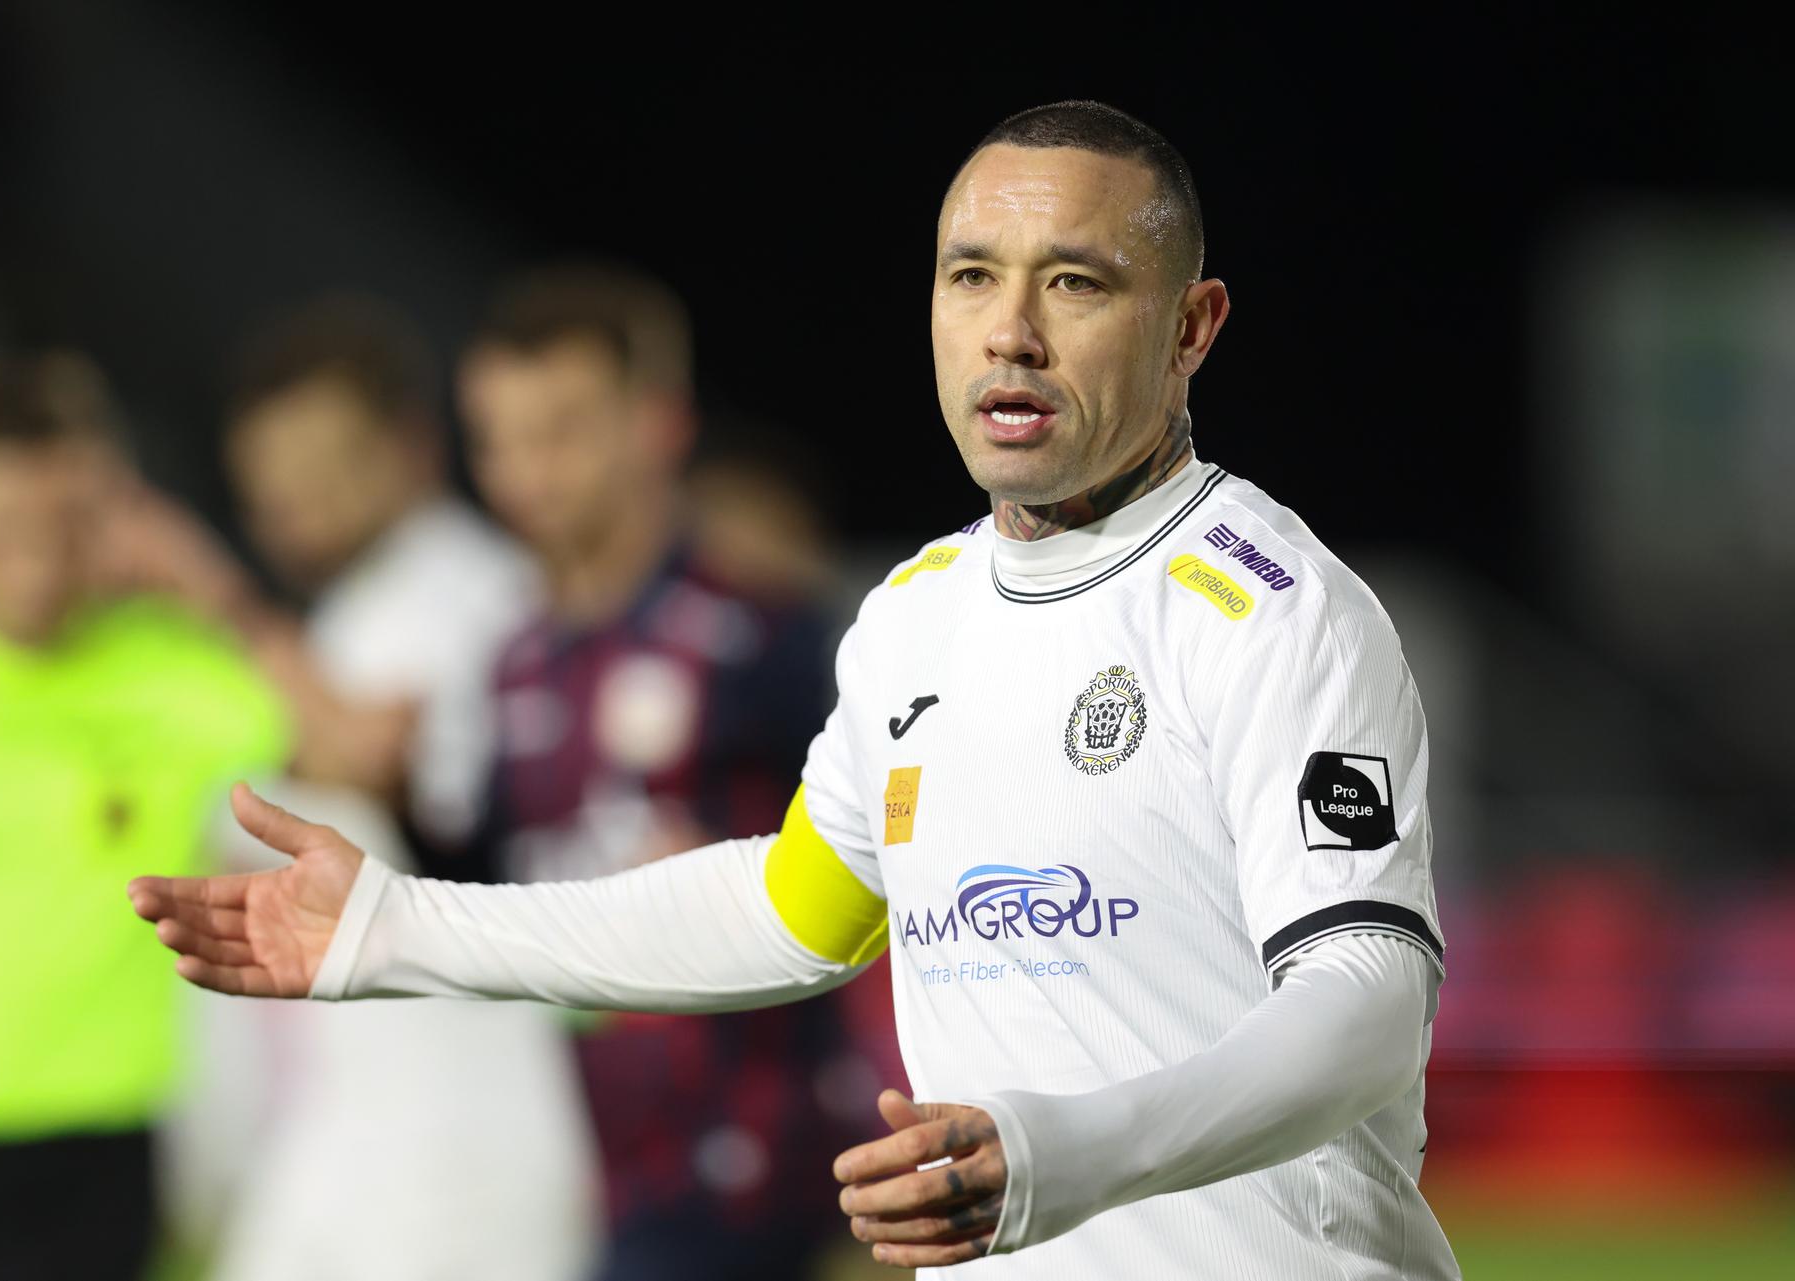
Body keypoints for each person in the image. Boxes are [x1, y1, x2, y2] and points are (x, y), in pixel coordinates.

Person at [132, 99, 1459, 1279]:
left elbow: (1366, 1004)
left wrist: (1063, 1154)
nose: (1012, 331)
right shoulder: (916, 617)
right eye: (972, 277)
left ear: (1191, 327)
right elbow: (786, 907)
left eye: (1077, 283)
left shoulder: (1279, 613)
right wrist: (396, 931)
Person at [108, 297, 599, 1281]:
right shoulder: (349, 616)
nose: (302, 501)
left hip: (466, 1126)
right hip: (353, 1119)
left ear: (414, 447)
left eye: (329, 466)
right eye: (275, 482)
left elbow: (367, 755)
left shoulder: (469, 590)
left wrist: (208, 594)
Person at [427, 263, 884, 1279]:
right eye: (498, 438)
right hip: (596, 1166)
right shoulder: (511, 665)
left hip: (772, 1168)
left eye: (563, 429)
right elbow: (508, 891)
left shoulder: (762, 635)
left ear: (657, 424)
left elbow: (897, 869)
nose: (526, 469)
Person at [0, 352, 290, 1280]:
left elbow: (347, 747)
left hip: (97, 1137)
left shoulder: (176, 669)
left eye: (62, 522)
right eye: (0, 525)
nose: (32, 556)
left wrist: (199, 571)